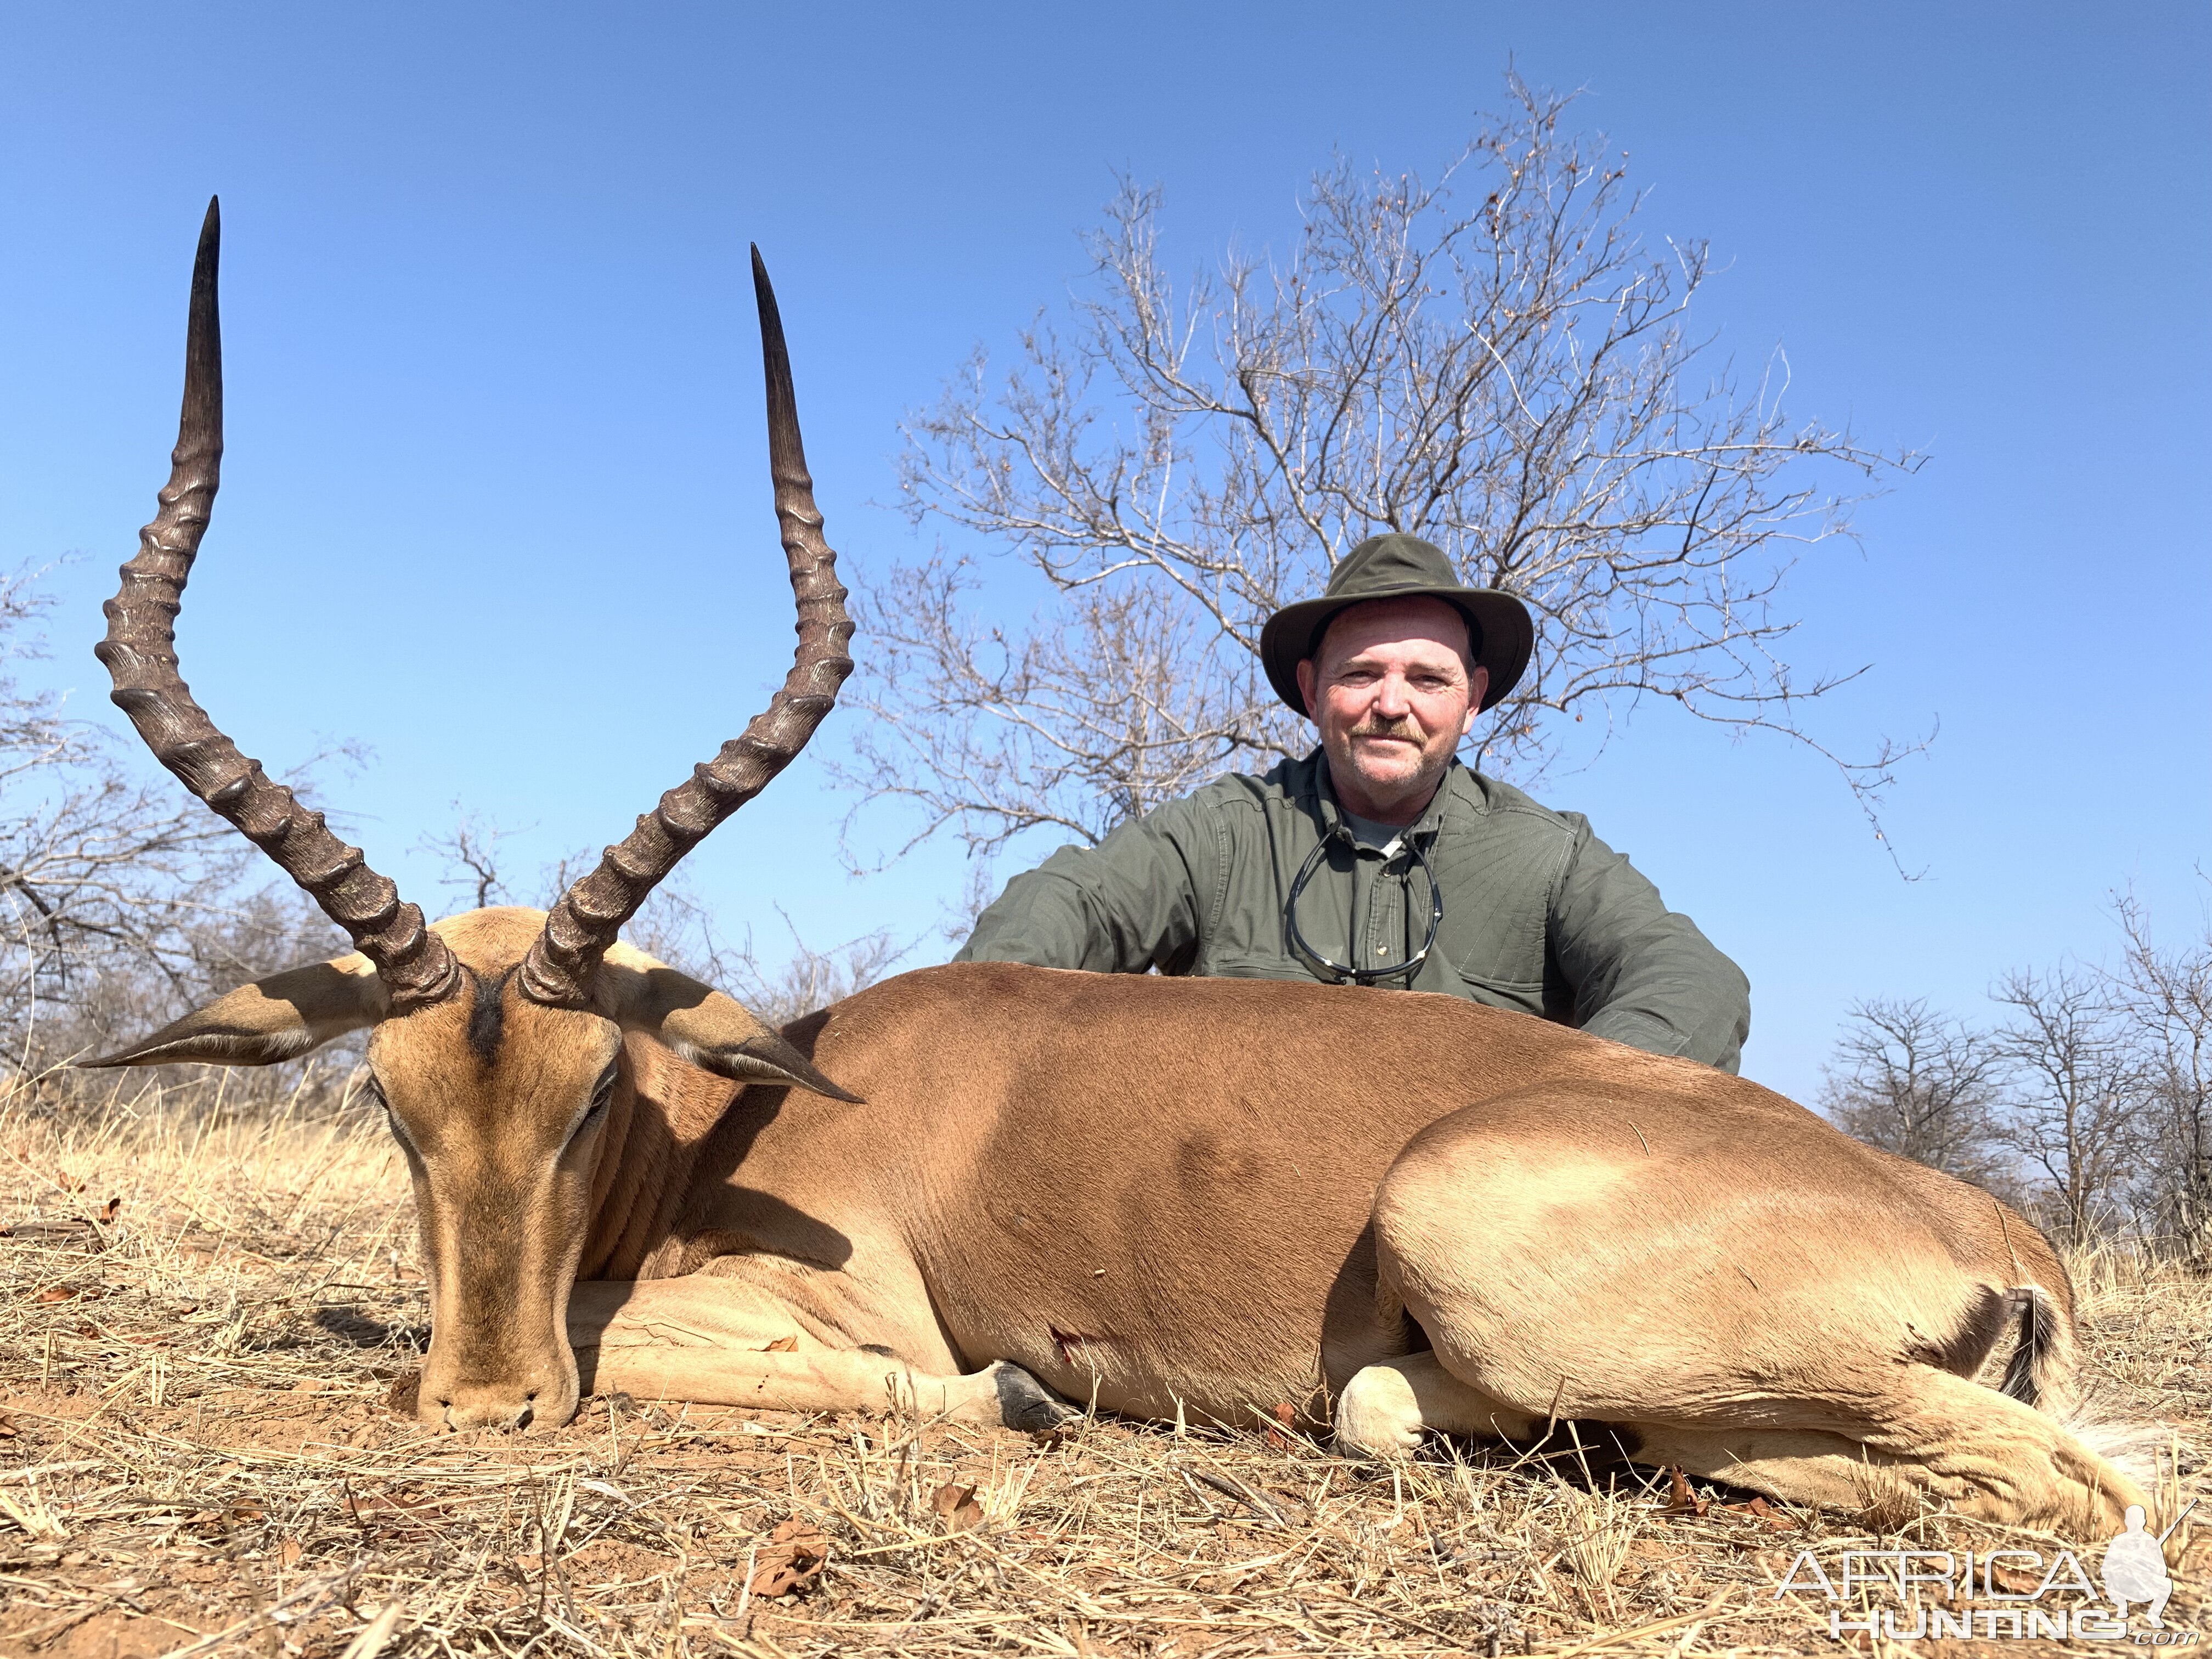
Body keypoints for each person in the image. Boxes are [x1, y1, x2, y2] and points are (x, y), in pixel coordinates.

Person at [956, 533, 1752, 1073]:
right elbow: (1076, 903)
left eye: (1428, 679)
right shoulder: (1222, 832)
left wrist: (1562, 1114)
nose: (1391, 704)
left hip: (1473, 1224)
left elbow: (1693, 981)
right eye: (1361, 674)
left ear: (1472, 699)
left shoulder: (1552, 858)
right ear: (1312, 690)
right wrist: (960, 1028)